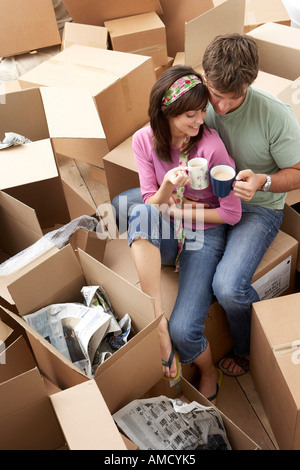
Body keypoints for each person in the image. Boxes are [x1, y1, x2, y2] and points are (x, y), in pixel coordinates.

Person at [112, 33, 300, 378]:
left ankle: (246, 351)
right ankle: (164, 309)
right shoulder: (196, 103)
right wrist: (169, 193)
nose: (221, 108)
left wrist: (264, 180)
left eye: (233, 98)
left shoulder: (275, 116)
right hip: (199, 201)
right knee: (124, 205)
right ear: (205, 79)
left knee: (228, 286)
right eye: (216, 96)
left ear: (249, 84)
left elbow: (298, 172)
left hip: (256, 206)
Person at [126, 65, 241, 403]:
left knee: (185, 331)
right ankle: (157, 324)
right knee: (139, 211)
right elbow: (152, 203)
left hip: (204, 233)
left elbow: (231, 213)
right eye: (190, 114)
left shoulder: (212, 147)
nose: (200, 120)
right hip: (166, 225)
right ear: (167, 111)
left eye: (201, 111)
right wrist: (166, 187)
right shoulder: (144, 140)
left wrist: (181, 210)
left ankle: (207, 371)